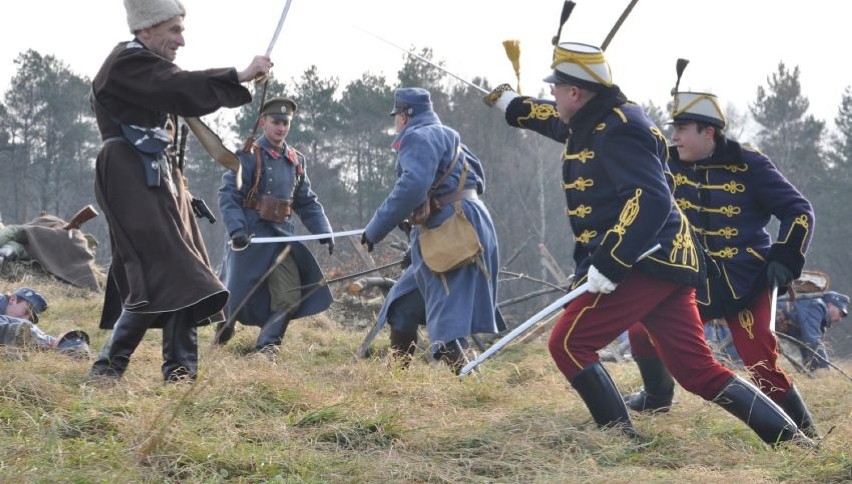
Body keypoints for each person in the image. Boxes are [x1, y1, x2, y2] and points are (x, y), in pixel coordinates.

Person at [483, 40, 806, 445]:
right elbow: (556, 121)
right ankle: (793, 442)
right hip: (671, 262)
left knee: (568, 343)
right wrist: (511, 105)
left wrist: (610, 260)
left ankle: (622, 441)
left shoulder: (620, 129)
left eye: (556, 87)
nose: (551, 95)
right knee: (698, 372)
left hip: (647, 260)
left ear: (575, 92)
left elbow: (649, 198)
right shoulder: (599, 117)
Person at [87, 0, 271, 382]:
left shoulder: (146, 68)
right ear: (147, 30)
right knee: (170, 270)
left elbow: (176, 92)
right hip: (128, 175)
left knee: (184, 271)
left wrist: (182, 192)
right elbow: (177, 85)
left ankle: (179, 373)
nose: (181, 40)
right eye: (173, 30)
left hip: (156, 177)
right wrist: (239, 74)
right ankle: (108, 368)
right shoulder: (126, 63)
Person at [622, 78, 819, 437]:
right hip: (686, 277)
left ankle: (803, 433)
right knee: (639, 327)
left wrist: (786, 257)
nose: (675, 137)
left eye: (682, 129)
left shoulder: (751, 164)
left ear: (708, 132)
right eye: (674, 129)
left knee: (759, 361)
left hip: (745, 281)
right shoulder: (664, 163)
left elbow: (799, 210)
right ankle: (657, 398)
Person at [361, 88, 504, 373]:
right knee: (401, 303)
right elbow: (479, 180)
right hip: (464, 224)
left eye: (396, 117)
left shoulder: (416, 136)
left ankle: (473, 390)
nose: (395, 123)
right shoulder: (448, 136)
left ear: (403, 115)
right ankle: (395, 382)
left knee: (447, 321)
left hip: (453, 234)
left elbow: (412, 186)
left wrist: (375, 228)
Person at [217, 96, 335, 355]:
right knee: (234, 297)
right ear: (263, 123)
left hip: (282, 239)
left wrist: (323, 230)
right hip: (249, 238)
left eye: (285, 123)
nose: (281, 128)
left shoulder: (296, 160)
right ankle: (224, 328)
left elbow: (306, 201)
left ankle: (267, 348)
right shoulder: (247, 157)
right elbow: (228, 196)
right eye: (276, 122)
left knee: (289, 294)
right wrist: (237, 231)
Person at [777, 290, 848, 370]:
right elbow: (812, 340)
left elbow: (805, 345)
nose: (839, 319)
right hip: (766, 313)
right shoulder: (816, 305)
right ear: (830, 305)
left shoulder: (818, 316)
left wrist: (811, 370)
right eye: (840, 313)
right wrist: (825, 370)